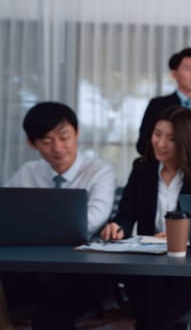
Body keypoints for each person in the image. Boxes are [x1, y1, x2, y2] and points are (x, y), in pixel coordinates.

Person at [2, 101, 116, 329]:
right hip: (32, 270)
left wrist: (32, 231)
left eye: (64, 137)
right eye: (46, 141)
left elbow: (93, 220)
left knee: (50, 318)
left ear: (77, 133)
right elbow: (7, 215)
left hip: (81, 270)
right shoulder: (27, 173)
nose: (57, 148)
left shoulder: (99, 172)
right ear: (32, 143)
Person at [101, 106, 191, 330]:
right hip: (149, 263)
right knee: (152, 296)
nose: (161, 143)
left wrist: (180, 236)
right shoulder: (142, 170)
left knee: (154, 314)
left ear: (185, 142)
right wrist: (117, 225)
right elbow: (126, 213)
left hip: (188, 267)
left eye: (171, 138)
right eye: (157, 134)